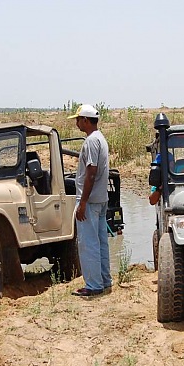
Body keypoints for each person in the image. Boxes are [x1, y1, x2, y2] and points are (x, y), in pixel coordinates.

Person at [68, 103, 112, 297]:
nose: (76, 123)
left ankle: (94, 285)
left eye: (78, 119)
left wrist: (83, 202)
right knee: (101, 241)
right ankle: (104, 280)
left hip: (91, 200)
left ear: (85, 120)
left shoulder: (91, 141)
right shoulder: (100, 139)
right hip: (100, 199)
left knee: (88, 243)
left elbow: (91, 172)